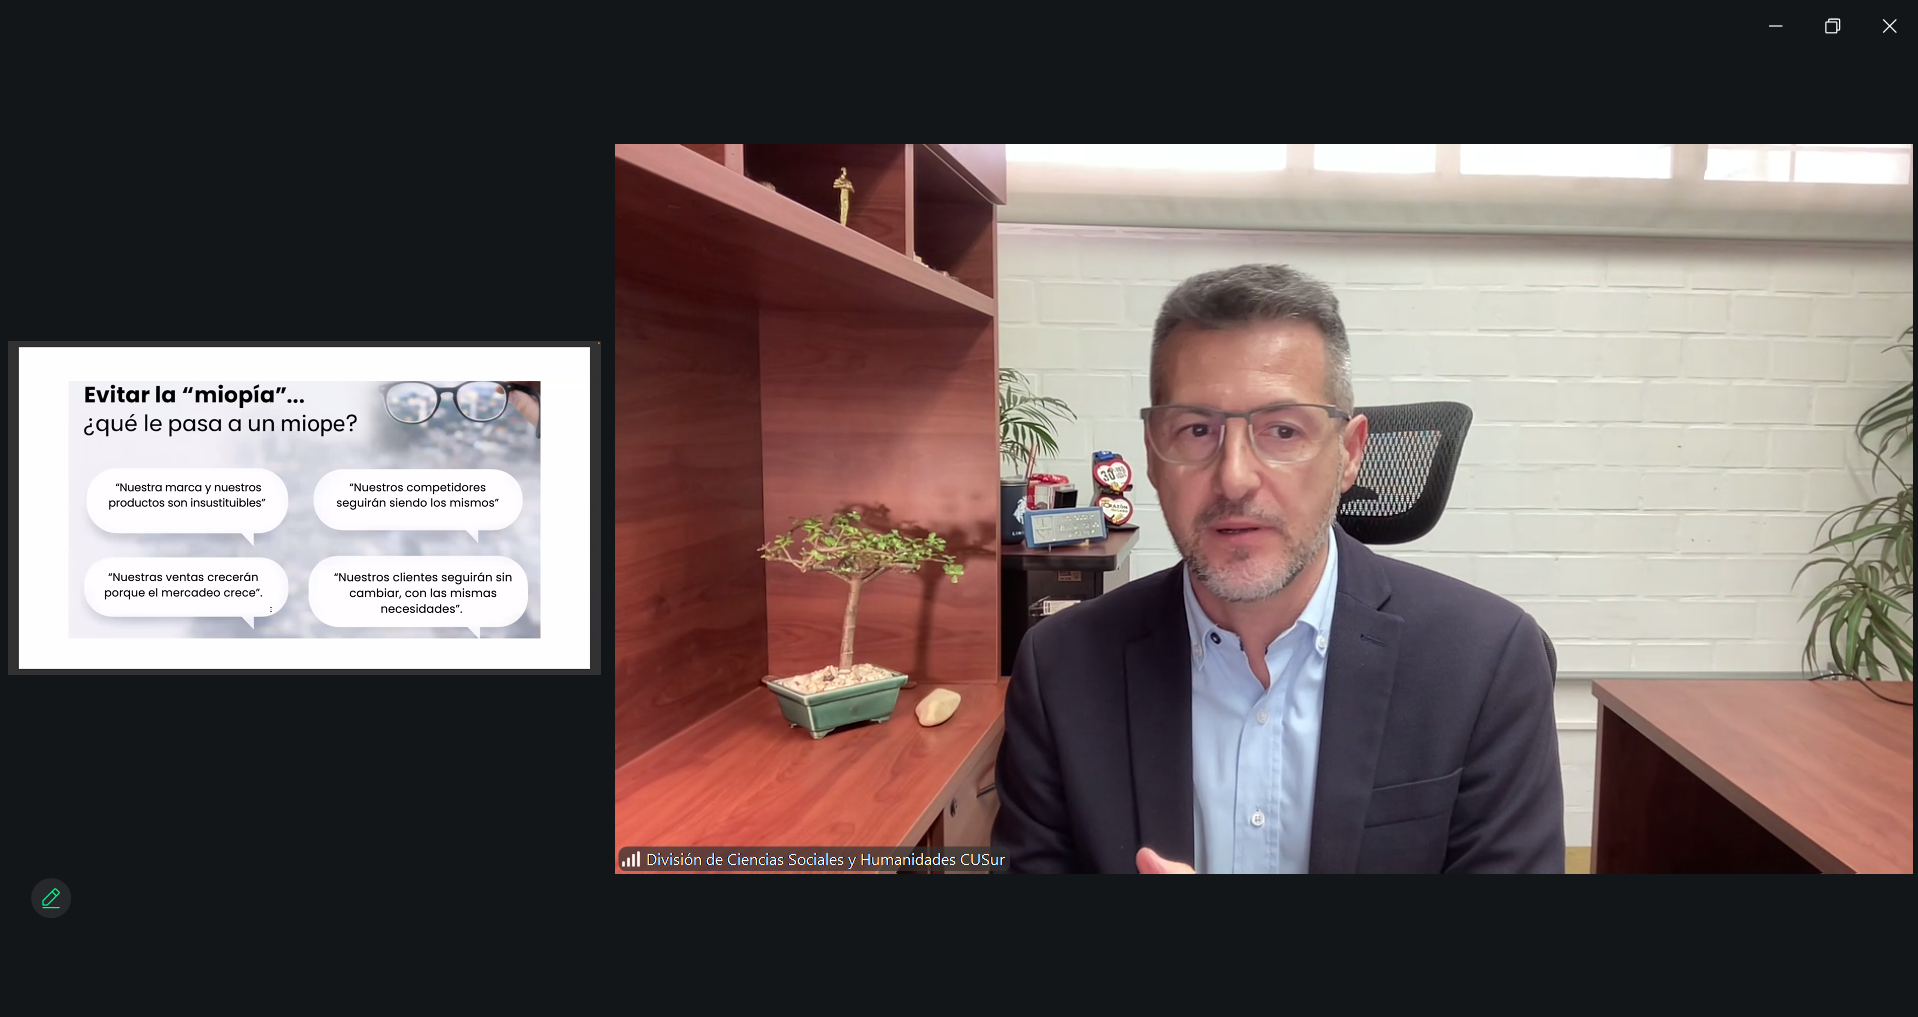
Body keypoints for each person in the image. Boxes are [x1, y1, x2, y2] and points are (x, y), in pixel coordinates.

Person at [992, 263, 1563, 874]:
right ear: (1154, 456)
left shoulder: (1486, 661)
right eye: (1197, 430)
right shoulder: (1061, 667)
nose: (1235, 477)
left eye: (1283, 430)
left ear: (1349, 454)